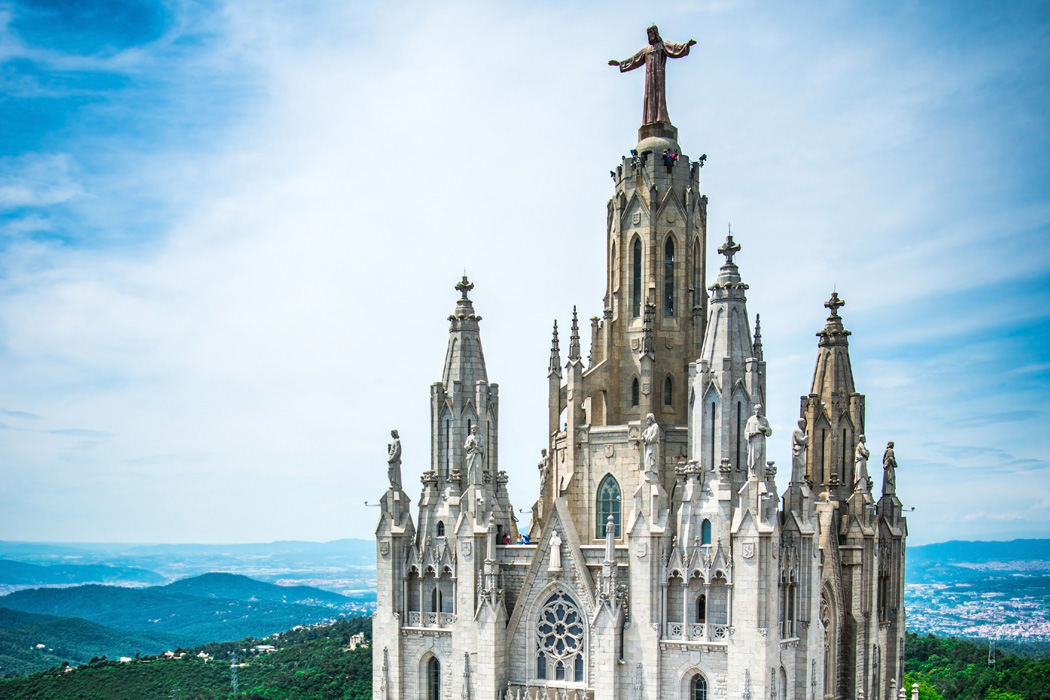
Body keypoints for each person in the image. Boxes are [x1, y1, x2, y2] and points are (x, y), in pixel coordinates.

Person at [609, 26, 697, 125]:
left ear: (656, 33)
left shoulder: (663, 45)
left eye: (651, 33)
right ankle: (649, 120)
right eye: (648, 34)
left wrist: (686, 45)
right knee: (649, 96)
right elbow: (634, 59)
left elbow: (674, 48)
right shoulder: (646, 50)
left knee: (659, 95)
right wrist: (620, 64)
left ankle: (661, 117)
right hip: (649, 78)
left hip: (659, 75)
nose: (650, 36)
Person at [745, 404, 772, 479]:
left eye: (759, 409)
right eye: (756, 409)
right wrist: (749, 434)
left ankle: (760, 475)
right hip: (753, 441)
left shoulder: (764, 420)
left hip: (761, 441)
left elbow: (769, 432)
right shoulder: (750, 420)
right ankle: (752, 474)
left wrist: (765, 429)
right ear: (754, 410)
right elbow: (746, 431)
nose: (758, 411)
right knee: (752, 458)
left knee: (760, 458)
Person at [642, 413, 661, 481]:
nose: (647, 420)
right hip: (648, 447)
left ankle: (652, 475)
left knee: (651, 461)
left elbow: (653, 438)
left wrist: (645, 437)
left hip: (653, 447)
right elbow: (646, 438)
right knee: (647, 460)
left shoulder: (655, 426)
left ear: (651, 419)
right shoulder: (648, 428)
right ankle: (648, 474)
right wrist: (643, 437)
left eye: (648, 419)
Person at [791, 418, 808, 483]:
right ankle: (799, 479)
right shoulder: (798, 431)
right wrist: (807, 437)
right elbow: (801, 440)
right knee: (800, 465)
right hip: (797, 451)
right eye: (803, 423)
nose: (804, 425)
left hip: (799, 450)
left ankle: (800, 478)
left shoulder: (799, 431)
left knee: (802, 465)